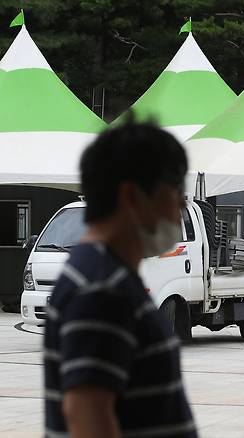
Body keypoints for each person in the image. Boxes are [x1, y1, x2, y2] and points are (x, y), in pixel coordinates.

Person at [44, 122, 198, 438]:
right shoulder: (100, 289)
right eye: (175, 192)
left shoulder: (107, 276)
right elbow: (86, 414)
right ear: (131, 196)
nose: (183, 206)